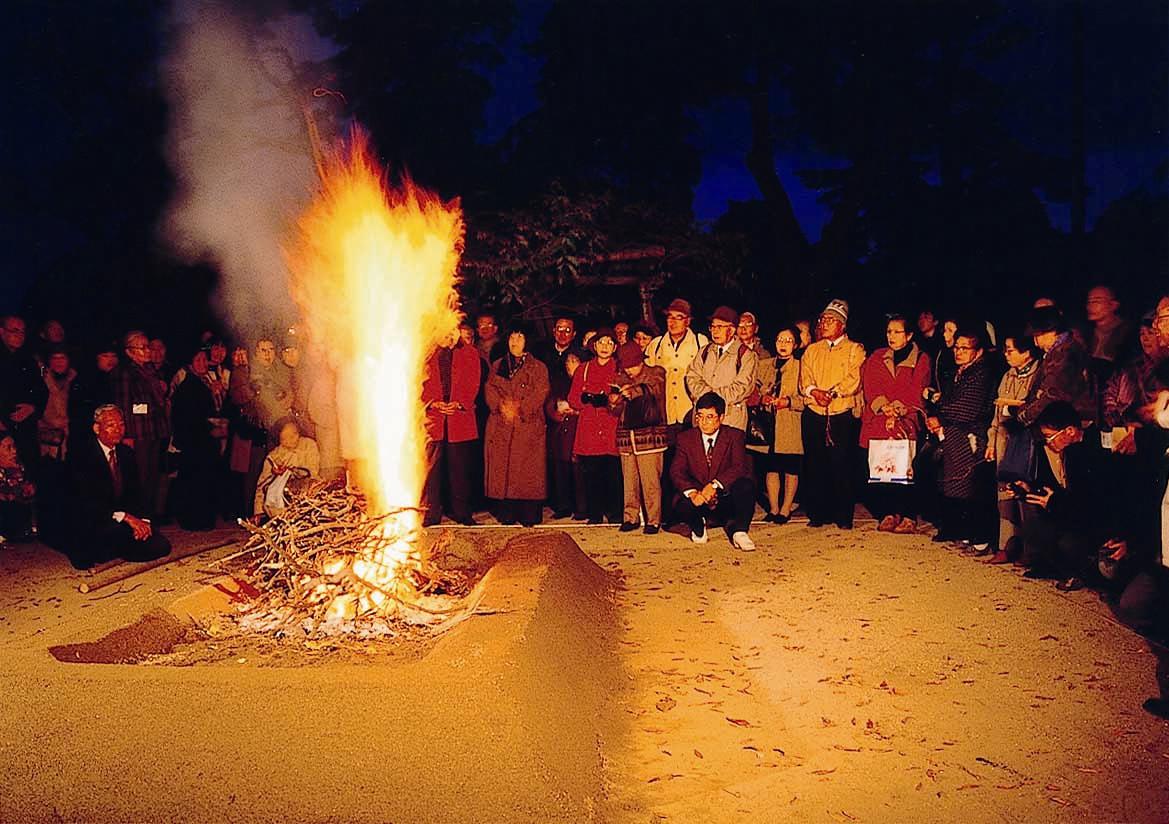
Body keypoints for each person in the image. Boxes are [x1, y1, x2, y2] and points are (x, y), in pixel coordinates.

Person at [63, 405, 171, 569]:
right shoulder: (81, 455)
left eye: (121, 425)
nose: (118, 430)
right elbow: (88, 501)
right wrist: (128, 518)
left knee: (161, 546)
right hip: (95, 518)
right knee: (103, 545)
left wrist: (143, 521)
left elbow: (136, 493)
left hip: (119, 519)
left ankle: (119, 544)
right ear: (97, 428)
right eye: (111, 425)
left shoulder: (126, 453)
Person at [860, 314, 932, 533]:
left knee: (906, 470)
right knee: (882, 469)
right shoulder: (877, 357)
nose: (891, 336)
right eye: (889, 331)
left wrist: (899, 409)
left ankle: (909, 514)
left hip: (906, 419)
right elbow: (871, 385)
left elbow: (917, 389)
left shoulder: (921, 359)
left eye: (897, 332)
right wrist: (884, 407)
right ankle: (888, 513)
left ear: (909, 335)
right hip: (881, 419)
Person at [799, 299, 864, 529]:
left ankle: (843, 516)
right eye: (823, 320)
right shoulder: (811, 350)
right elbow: (804, 379)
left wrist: (833, 393)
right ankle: (818, 513)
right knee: (815, 464)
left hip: (840, 413)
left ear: (842, 325)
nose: (824, 324)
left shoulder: (855, 349)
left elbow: (854, 379)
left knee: (842, 464)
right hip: (814, 412)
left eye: (831, 320)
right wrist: (814, 392)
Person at [926, 329, 994, 546]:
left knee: (968, 484)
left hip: (971, 433)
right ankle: (956, 529)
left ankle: (973, 534)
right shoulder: (960, 371)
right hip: (953, 433)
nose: (959, 352)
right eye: (957, 347)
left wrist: (938, 405)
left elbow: (965, 409)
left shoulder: (981, 373)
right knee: (951, 482)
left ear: (979, 350)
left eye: (965, 348)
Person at [669, 392, 756, 551]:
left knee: (746, 485)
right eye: (700, 416)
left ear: (721, 417)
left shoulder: (735, 436)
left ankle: (740, 532)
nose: (703, 422)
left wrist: (714, 485)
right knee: (679, 499)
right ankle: (698, 526)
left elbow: (739, 467)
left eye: (709, 417)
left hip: (723, 497)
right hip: (698, 498)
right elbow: (677, 470)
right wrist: (693, 492)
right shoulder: (685, 438)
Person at [484, 327, 549, 526]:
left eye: (520, 336)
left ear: (527, 341)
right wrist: (501, 406)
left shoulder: (538, 367)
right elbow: (490, 388)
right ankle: (507, 512)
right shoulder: (498, 365)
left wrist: (520, 408)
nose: (515, 341)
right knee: (503, 470)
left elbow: (542, 391)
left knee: (527, 472)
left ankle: (529, 514)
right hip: (502, 423)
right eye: (512, 336)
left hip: (526, 425)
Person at [985, 334, 1042, 563]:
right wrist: (991, 441)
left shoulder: (1038, 374)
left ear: (1026, 352)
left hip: (1024, 440)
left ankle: (1029, 549)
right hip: (1003, 438)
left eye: (1011, 350)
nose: (1006, 354)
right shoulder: (1008, 375)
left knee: (1024, 493)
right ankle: (1005, 545)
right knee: (1004, 495)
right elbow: (997, 415)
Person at [421, 329, 481, 526]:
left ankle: (462, 512)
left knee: (460, 470)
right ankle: (431, 513)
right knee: (432, 471)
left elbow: (474, 382)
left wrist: (459, 403)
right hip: (434, 420)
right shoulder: (426, 353)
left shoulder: (469, 352)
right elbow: (418, 384)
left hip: (459, 419)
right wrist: (432, 403)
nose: (448, 335)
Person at [111, 330, 170, 519]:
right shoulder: (125, 373)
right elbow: (123, 405)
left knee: (152, 477)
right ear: (129, 352)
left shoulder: (150, 371)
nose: (148, 351)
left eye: (148, 346)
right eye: (143, 347)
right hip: (136, 434)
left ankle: (149, 516)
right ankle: (139, 518)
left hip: (153, 431)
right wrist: (125, 435)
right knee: (139, 478)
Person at [611, 341, 667, 534]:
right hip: (627, 439)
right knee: (629, 481)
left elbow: (655, 390)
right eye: (626, 366)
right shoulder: (619, 378)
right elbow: (616, 410)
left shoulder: (656, 373)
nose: (630, 370)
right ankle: (630, 517)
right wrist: (613, 401)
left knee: (651, 481)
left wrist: (632, 391)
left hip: (650, 438)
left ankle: (653, 520)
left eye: (633, 365)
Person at [568, 328, 622, 524]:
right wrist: (586, 400)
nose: (605, 347)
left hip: (611, 427)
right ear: (594, 346)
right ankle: (595, 513)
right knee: (591, 473)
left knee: (613, 474)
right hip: (589, 427)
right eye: (601, 343)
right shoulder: (584, 369)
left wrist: (607, 400)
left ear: (615, 347)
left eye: (609, 343)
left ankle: (616, 513)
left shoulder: (619, 369)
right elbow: (573, 398)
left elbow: (624, 396)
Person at [171, 348, 226, 530]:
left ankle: (201, 519)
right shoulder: (188, 386)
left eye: (204, 360)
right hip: (195, 443)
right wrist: (211, 428)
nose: (203, 363)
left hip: (202, 442)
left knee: (203, 481)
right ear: (190, 364)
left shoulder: (202, 383)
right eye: (198, 360)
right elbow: (189, 418)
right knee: (196, 483)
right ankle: (195, 520)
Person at [1016, 305, 1096, 428]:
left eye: (1037, 336)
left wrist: (1026, 415)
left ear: (1052, 331)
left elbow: (1053, 394)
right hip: (1062, 421)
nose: (1036, 343)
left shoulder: (1064, 355)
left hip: (1068, 425)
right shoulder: (1060, 352)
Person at [754, 326, 804, 523]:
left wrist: (789, 402)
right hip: (768, 424)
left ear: (796, 345)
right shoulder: (764, 365)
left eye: (788, 341)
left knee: (791, 467)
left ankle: (786, 508)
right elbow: (754, 389)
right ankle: (773, 508)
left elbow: (806, 398)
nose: (783, 345)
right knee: (771, 467)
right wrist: (762, 397)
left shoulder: (801, 366)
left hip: (790, 422)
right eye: (780, 340)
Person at [685, 306, 758, 431]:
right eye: (713, 327)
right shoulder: (705, 351)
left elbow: (743, 387)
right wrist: (706, 394)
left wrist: (712, 398)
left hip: (730, 421)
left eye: (719, 327)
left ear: (732, 330)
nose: (714, 331)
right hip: (702, 421)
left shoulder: (747, 355)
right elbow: (692, 376)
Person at [0, 315, 48, 468]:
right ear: (2, 332)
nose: (20, 336)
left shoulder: (28, 359)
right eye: (15, 331)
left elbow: (42, 390)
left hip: (25, 429)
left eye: (23, 332)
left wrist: (33, 407)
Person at [546, 352, 586, 520]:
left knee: (579, 471)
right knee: (561, 469)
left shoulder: (585, 380)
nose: (571, 364)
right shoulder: (559, 382)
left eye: (575, 360)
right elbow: (549, 402)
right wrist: (556, 413)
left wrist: (577, 411)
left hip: (578, 429)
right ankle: (563, 506)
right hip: (561, 430)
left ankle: (581, 508)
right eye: (568, 361)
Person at [253, 418, 320, 520]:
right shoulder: (274, 456)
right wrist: (258, 512)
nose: (292, 440)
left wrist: (294, 469)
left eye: (294, 434)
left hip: (307, 498)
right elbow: (262, 485)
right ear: (279, 439)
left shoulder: (309, 445)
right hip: (281, 507)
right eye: (285, 438)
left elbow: (313, 471)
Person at [38, 347, 76, 461]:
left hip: (71, 438)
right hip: (46, 439)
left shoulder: (75, 380)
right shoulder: (40, 380)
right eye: (54, 358)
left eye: (62, 358)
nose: (58, 361)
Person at [0, 433, 35, 543]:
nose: (14, 451)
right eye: (8, 448)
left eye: (14, 446)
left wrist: (27, 491)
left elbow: (23, 492)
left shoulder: (18, 465)